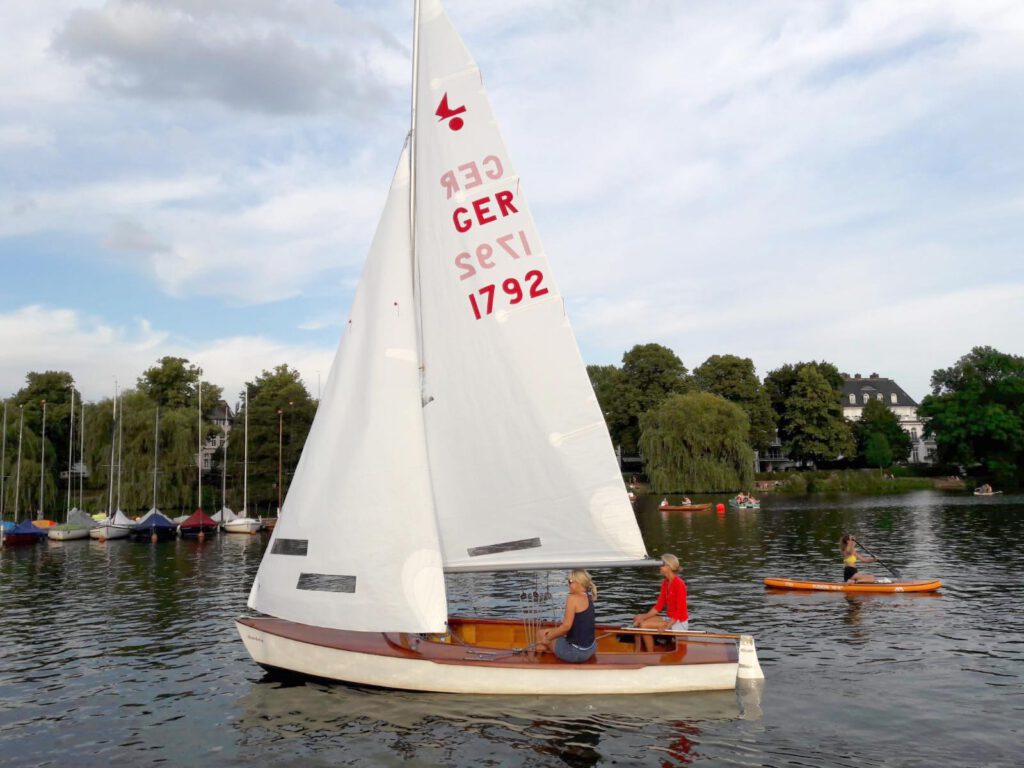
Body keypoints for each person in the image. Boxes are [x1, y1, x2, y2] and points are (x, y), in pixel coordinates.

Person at [535, 569, 597, 662]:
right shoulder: (588, 597)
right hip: (591, 648)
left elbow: (566, 627)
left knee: (540, 634)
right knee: (546, 634)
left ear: (578, 583)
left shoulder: (572, 598)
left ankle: (539, 662)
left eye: (570, 581)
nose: (568, 584)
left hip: (575, 653)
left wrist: (547, 638)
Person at [633, 554, 688, 651]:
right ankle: (638, 650)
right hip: (670, 618)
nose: (659, 567)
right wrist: (643, 617)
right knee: (638, 618)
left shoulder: (679, 584)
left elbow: (680, 610)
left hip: (678, 622)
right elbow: (658, 606)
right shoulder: (665, 583)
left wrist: (668, 626)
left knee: (644, 625)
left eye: (662, 564)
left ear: (668, 567)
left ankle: (651, 655)